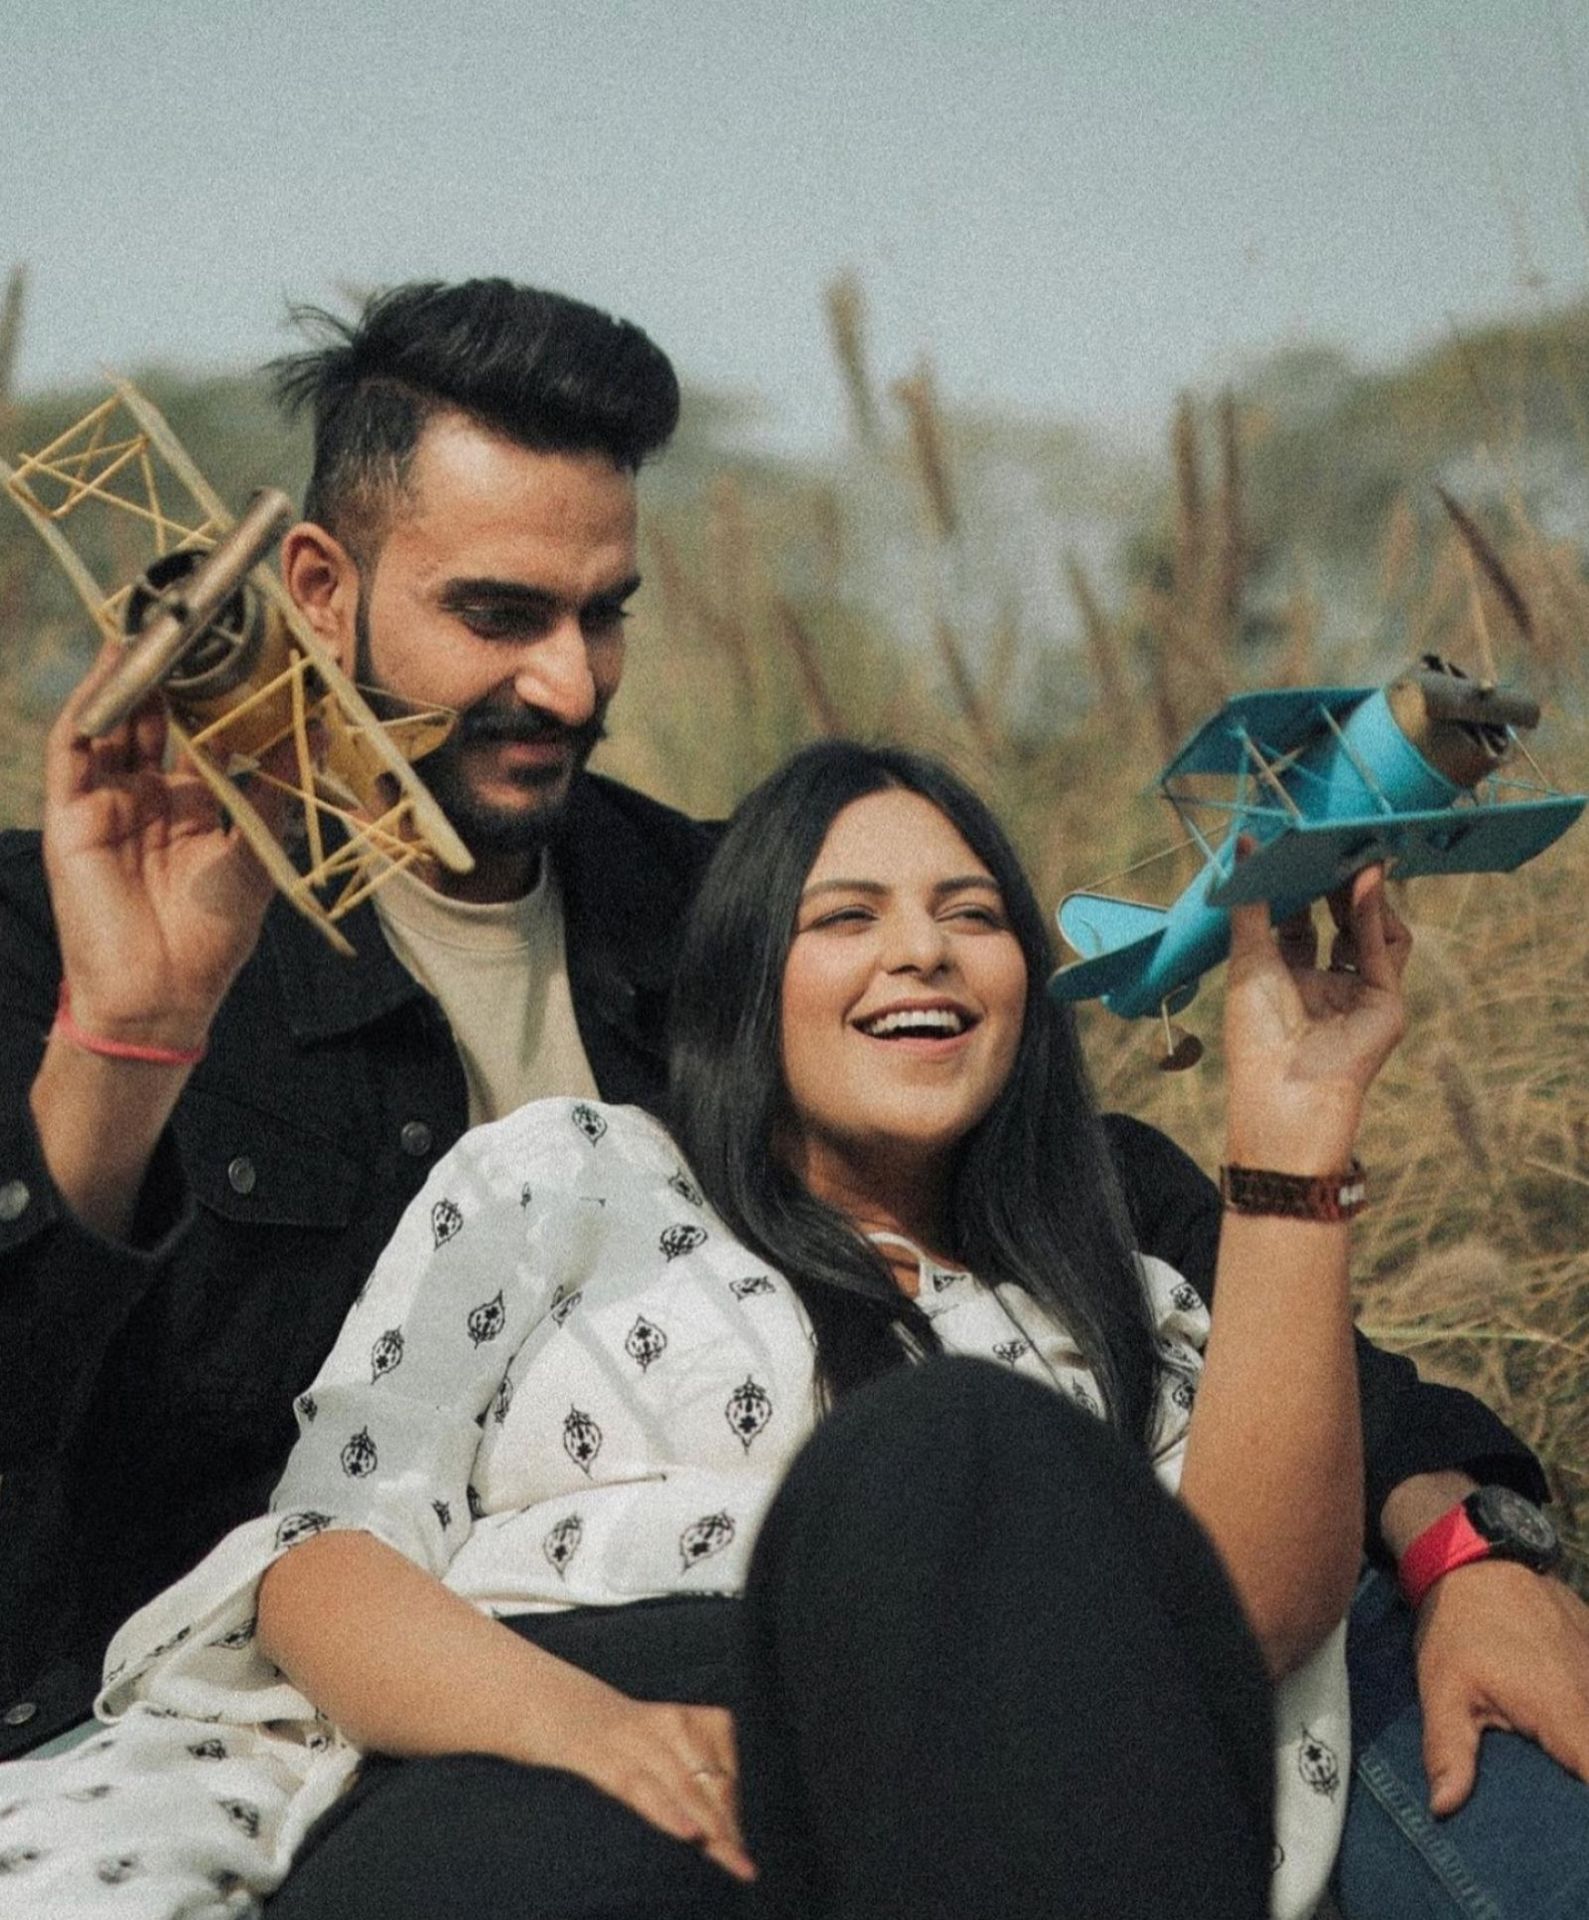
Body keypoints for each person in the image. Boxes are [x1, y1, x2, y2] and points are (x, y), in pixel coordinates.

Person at [0, 280, 1584, 1915]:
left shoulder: (727, 915)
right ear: (318, 590)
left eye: (604, 615)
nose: (567, 685)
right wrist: (127, 1038)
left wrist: (1458, 1535)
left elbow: (1116, 1228)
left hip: (901, 1666)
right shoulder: (77, 921)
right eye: (499, 616)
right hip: (338, 1715)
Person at [0, 739, 1413, 1918]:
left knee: (965, 1435)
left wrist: (1294, 1131)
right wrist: (590, 1731)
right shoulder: (568, 1176)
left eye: (973, 914)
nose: (920, 950)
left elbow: (1232, 1620)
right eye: (845, 917)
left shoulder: (1119, 1300)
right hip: (544, 1742)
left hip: (960, 1794)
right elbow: (323, 1564)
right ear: (742, 976)